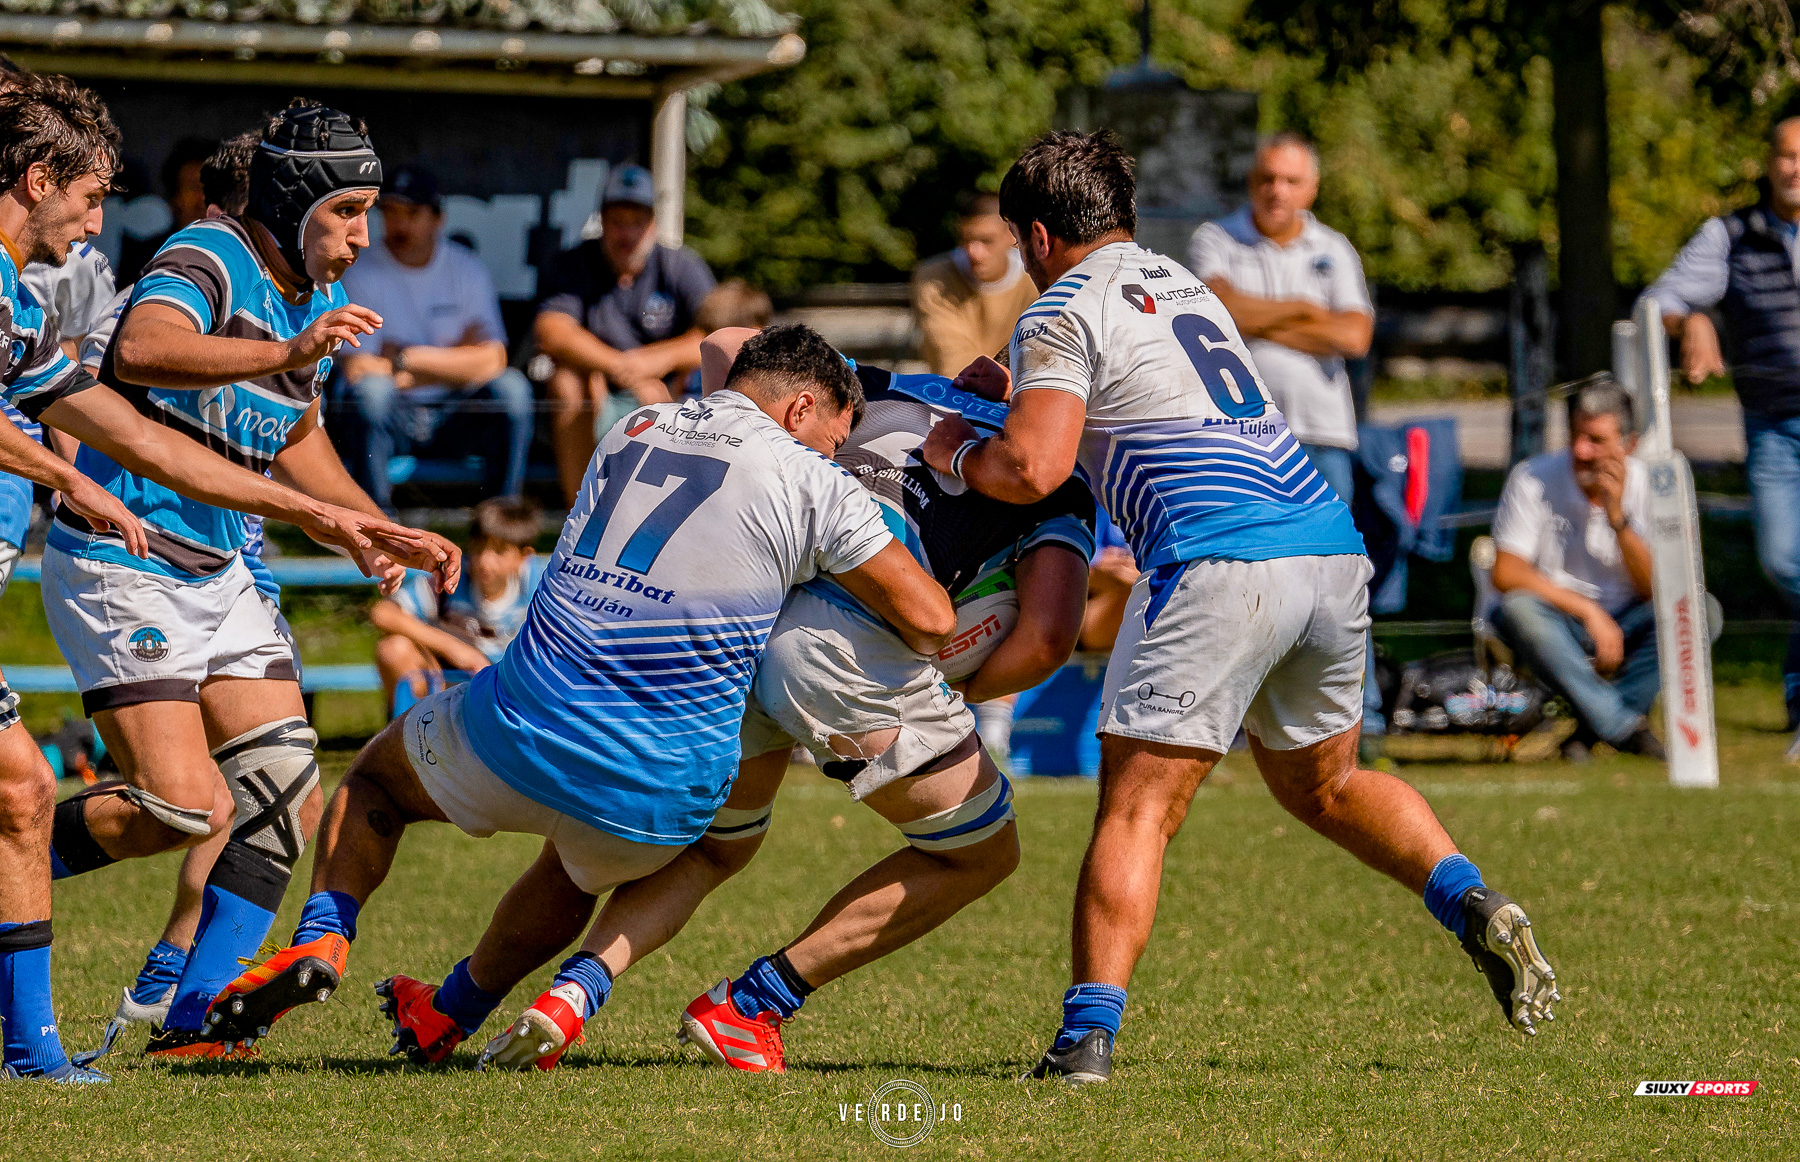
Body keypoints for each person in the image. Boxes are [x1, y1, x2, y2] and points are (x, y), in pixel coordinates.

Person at [921, 130, 1559, 1085]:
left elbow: (1035, 467)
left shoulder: (1057, 306)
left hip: (1216, 561)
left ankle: (1085, 1042)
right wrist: (1013, 389)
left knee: (1137, 811)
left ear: (1040, 235)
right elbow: (1146, 388)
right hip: (1326, 547)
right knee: (1327, 785)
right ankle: (1465, 894)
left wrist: (954, 452)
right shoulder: (1184, 285)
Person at [193, 324, 957, 1062]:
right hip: (658, 792)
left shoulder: (634, 428)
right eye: (836, 436)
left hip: (518, 724)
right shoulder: (814, 479)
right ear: (800, 410)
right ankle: (556, 989)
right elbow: (929, 619)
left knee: (375, 781)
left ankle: (326, 935)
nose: (838, 454)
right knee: (638, 854)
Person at [418, 332, 1094, 1073]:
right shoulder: (1059, 485)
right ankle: (753, 1004)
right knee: (981, 853)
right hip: (844, 653)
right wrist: (956, 689)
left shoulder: (890, 388)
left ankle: (510, 999)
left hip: (739, 628)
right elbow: (1049, 638)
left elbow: (728, 346)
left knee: (697, 845)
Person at [0, 77, 426, 1080]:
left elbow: (294, 432)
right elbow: (141, 356)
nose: (366, 235)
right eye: (351, 212)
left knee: (282, 790)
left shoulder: (314, 297)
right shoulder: (206, 256)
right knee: (184, 809)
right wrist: (77, 478)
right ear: (299, 203)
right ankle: (26, 882)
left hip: (217, 564)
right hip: (129, 566)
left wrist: (369, 525)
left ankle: (198, 1007)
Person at [1187, 132, 1383, 748]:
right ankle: (1237, 718)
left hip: (1324, 437)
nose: (1277, 190)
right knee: (1240, 575)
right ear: (1252, 181)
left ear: (1311, 188)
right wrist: (1304, 310)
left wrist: (1262, 313)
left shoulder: (1335, 248)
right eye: (1267, 177)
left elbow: (1354, 337)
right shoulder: (1214, 238)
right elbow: (1213, 312)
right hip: (1238, 433)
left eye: (1290, 181)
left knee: (1337, 580)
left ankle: (1359, 717)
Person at [0, 308, 149, 1087]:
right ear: (36, 177)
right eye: (89, 193)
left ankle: (29, 1051)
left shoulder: (19, 306)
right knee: (23, 787)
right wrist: (72, 478)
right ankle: (30, 1052)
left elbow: (116, 422)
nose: (96, 222)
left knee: (23, 789)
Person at [1642, 115, 1800, 756]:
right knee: (1784, 558)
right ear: (1767, 162)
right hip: (1775, 431)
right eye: (1787, 155)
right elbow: (1657, 300)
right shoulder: (1729, 235)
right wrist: (1697, 321)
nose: (1796, 168)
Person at [336, 165, 534, 511]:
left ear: (438, 218)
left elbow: (494, 360)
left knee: (513, 391)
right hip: (394, 416)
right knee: (371, 395)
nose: (399, 225)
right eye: (391, 213)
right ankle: (376, 522)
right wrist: (459, 358)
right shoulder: (360, 272)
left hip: (454, 413)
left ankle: (500, 527)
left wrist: (404, 357)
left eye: (412, 213)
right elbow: (359, 371)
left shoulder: (466, 268)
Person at [1489, 384, 1664, 761]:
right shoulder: (1532, 477)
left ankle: (1589, 728)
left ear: (1628, 445)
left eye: (1596, 440)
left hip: (1630, 619)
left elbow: (1655, 589)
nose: (1581, 451)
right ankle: (1622, 727)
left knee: (1700, 613)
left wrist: (1618, 518)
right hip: (1560, 621)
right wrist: (1589, 611)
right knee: (1518, 608)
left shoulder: (1649, 486)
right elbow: (1506, 571)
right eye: (1575, 435)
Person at [534, 163, 716, 504]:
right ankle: (581, 509)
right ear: (602, 221)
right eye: (618, 221)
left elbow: (715, 336)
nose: (627, 234)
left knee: (663, 400)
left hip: (664, 392)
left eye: (638, 222)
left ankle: (654, 512)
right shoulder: (573, 264)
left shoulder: (681, 266)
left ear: (653, 224)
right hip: (595, 393)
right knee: (565, 382)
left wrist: (656, 362)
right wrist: (621, 367)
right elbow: (551, 330)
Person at [372, 497, 544, 711]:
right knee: (393, 649)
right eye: (479, 548)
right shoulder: (452, 578)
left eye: (500, 552)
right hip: (451, 684)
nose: (484, 561)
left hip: (512, 687)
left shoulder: (541, 586)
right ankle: (412, 733)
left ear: (524, 556)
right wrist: (454, 649)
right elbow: (383, 613)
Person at [912, 192, 1041, 378]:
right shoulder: (935, 279)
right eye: (966, 240)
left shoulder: (1036, 279)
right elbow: (950, 358)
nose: (975, 252)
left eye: (987, 241)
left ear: (1012, 234)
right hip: (958, 393)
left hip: (1024, 392)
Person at [116, 135, 214, 283]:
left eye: (212, 187)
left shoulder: (242, 254)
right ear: (175, 198)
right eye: (194, 188)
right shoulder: (145, 260)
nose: (203, 197)